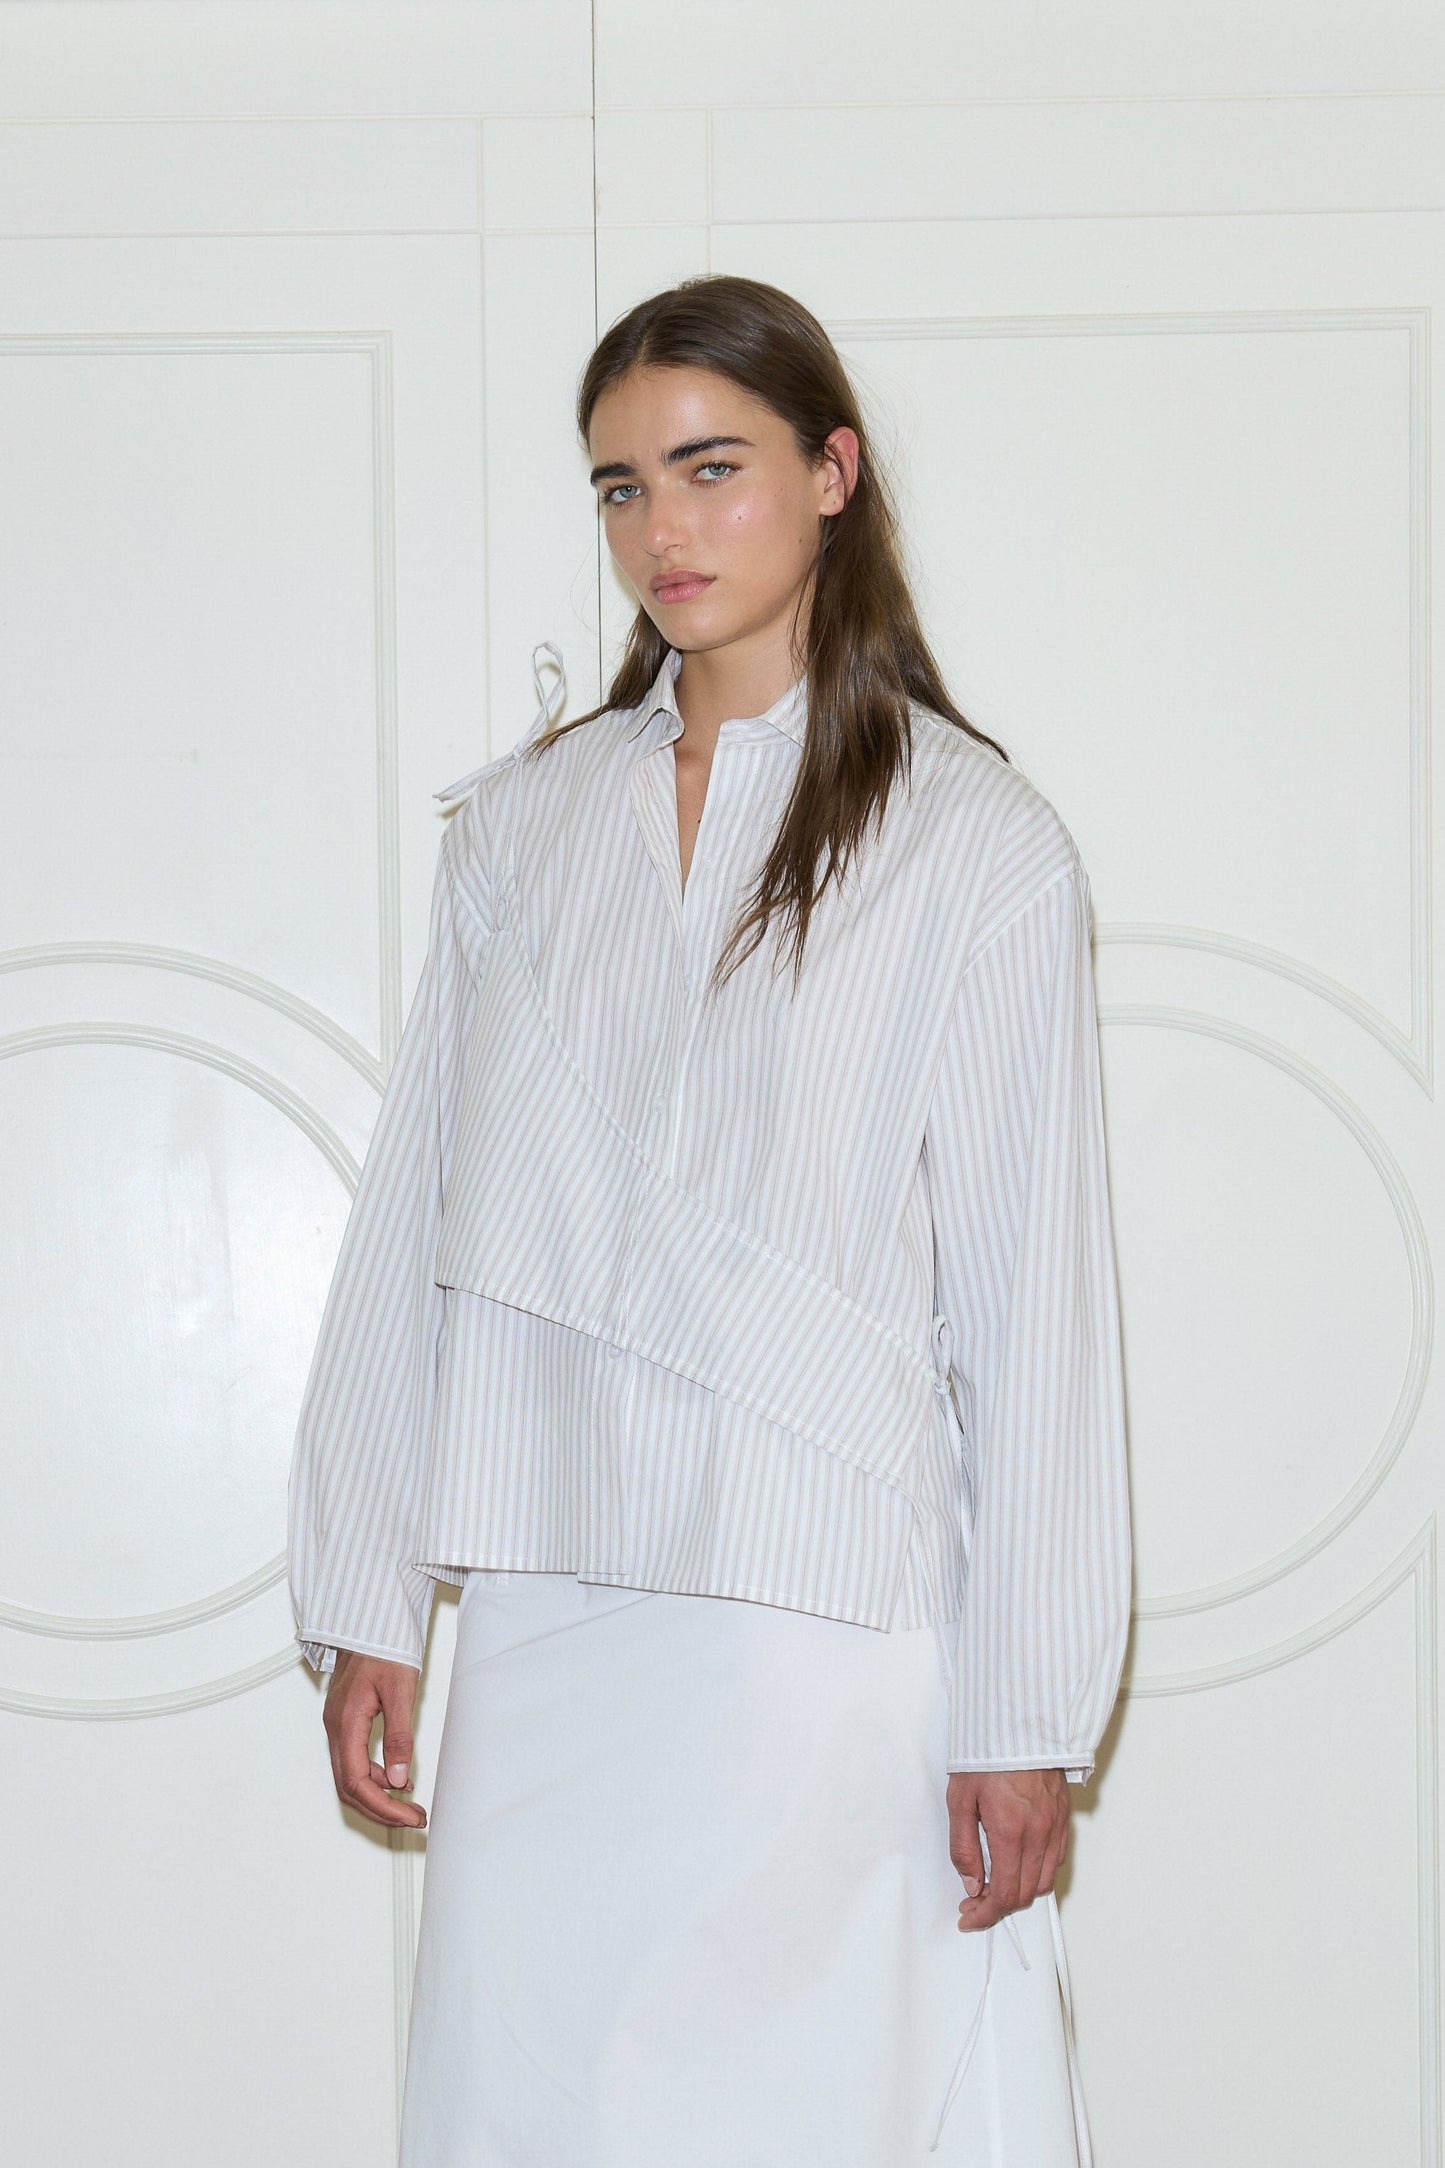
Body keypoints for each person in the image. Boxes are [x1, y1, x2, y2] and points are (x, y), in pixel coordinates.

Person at [287, 273, 1131, 2166]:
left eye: (708, 468)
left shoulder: (975, 843)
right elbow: (417, 1206)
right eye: (615, 488)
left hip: (824, 1627)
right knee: (534, 2105)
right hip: (545, 1591)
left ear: (831, 473)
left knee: (816, 2108)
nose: (660, 530)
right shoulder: (521, 826)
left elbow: (1031, 1298)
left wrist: (1027, 1708)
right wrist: (363, 1599)